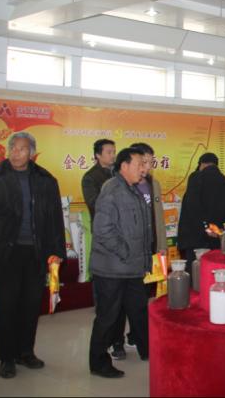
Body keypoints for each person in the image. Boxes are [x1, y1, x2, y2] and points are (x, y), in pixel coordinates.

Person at [0, 132, 66, 379]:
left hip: (36, 253)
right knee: (6, 306)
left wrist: (56, 251)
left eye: (22, 149)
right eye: (13, 148)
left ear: (32, 153)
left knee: (30, 304)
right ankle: (6, 357)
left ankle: (25, 352)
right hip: (6, 254)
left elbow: (55, 219)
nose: (16, 153)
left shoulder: (46, 180)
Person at [88, 147, 152, 378]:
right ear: (124, 166)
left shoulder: (133, 189)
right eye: (139, 164)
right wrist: (125, 252)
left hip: (132, 268)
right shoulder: (112, 190)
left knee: (139, 310)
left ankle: (148, 350)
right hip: (112, 269)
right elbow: (102, 229)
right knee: (108, 317)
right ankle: (98, 362)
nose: (143, 168)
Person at [177, 152, 225, 273]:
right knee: (214, 275)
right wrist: (218, 231)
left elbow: (193, 207)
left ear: (202, 165)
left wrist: (206, 227)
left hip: (195, 241)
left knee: (196, 275)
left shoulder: (196, 178)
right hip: (217, 242)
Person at [81, 139, 116, 220]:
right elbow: (93, 203)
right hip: (102, 223)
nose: (113, 156)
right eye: (109, 152)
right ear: (98, 155)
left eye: (114, 152)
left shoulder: (119, 172)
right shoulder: (90, 177)